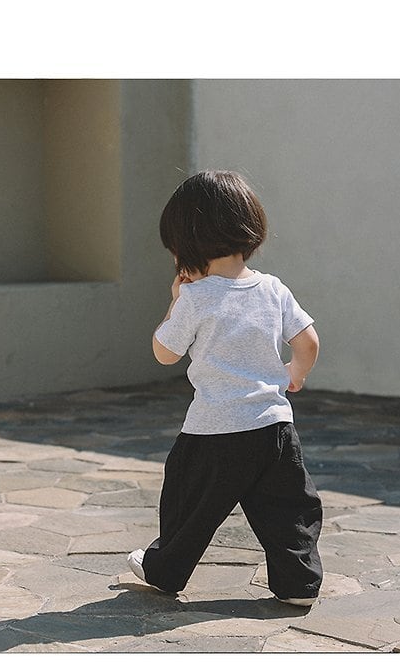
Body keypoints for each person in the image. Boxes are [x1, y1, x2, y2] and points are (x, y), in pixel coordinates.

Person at [127, 170, 323, 608]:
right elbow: (308, 341)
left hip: (213, 431)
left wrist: (175, 301)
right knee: (287, 508)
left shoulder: (196, 297)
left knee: (190, 507)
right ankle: (298, 582)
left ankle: (165, 570)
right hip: (274, 428)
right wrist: (295, 374)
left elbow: (165, 353)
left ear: (186, 242)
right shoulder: (272, 288)